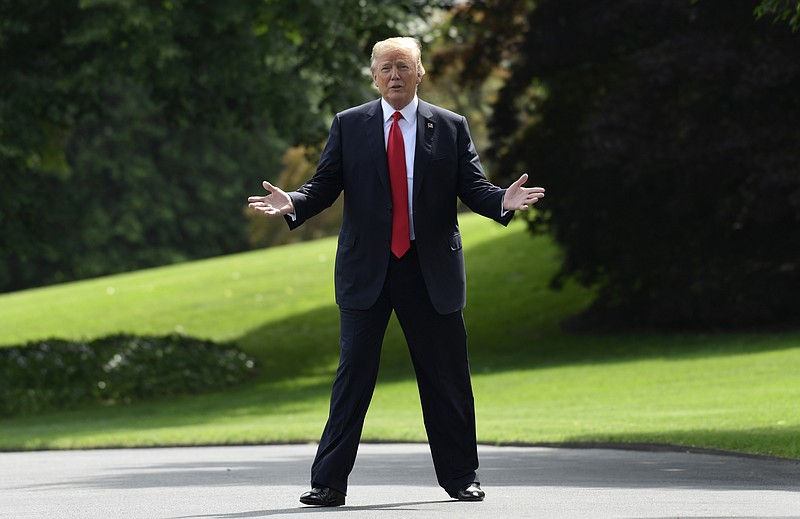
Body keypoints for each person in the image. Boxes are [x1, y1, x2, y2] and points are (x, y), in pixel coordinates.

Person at [248, 36, 544, 507]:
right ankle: (328, 483)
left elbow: (474, 186)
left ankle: (461, 476)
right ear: (373, 75)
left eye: (403, 67)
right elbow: (324, 185)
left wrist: (501, 202)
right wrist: (294, 203)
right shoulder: (350, 125)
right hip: (368, 270)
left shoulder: (449, 126)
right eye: (386, 68)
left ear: (420, 72)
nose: (394, 76)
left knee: (446, 379)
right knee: (353, 378)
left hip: (431, 273)